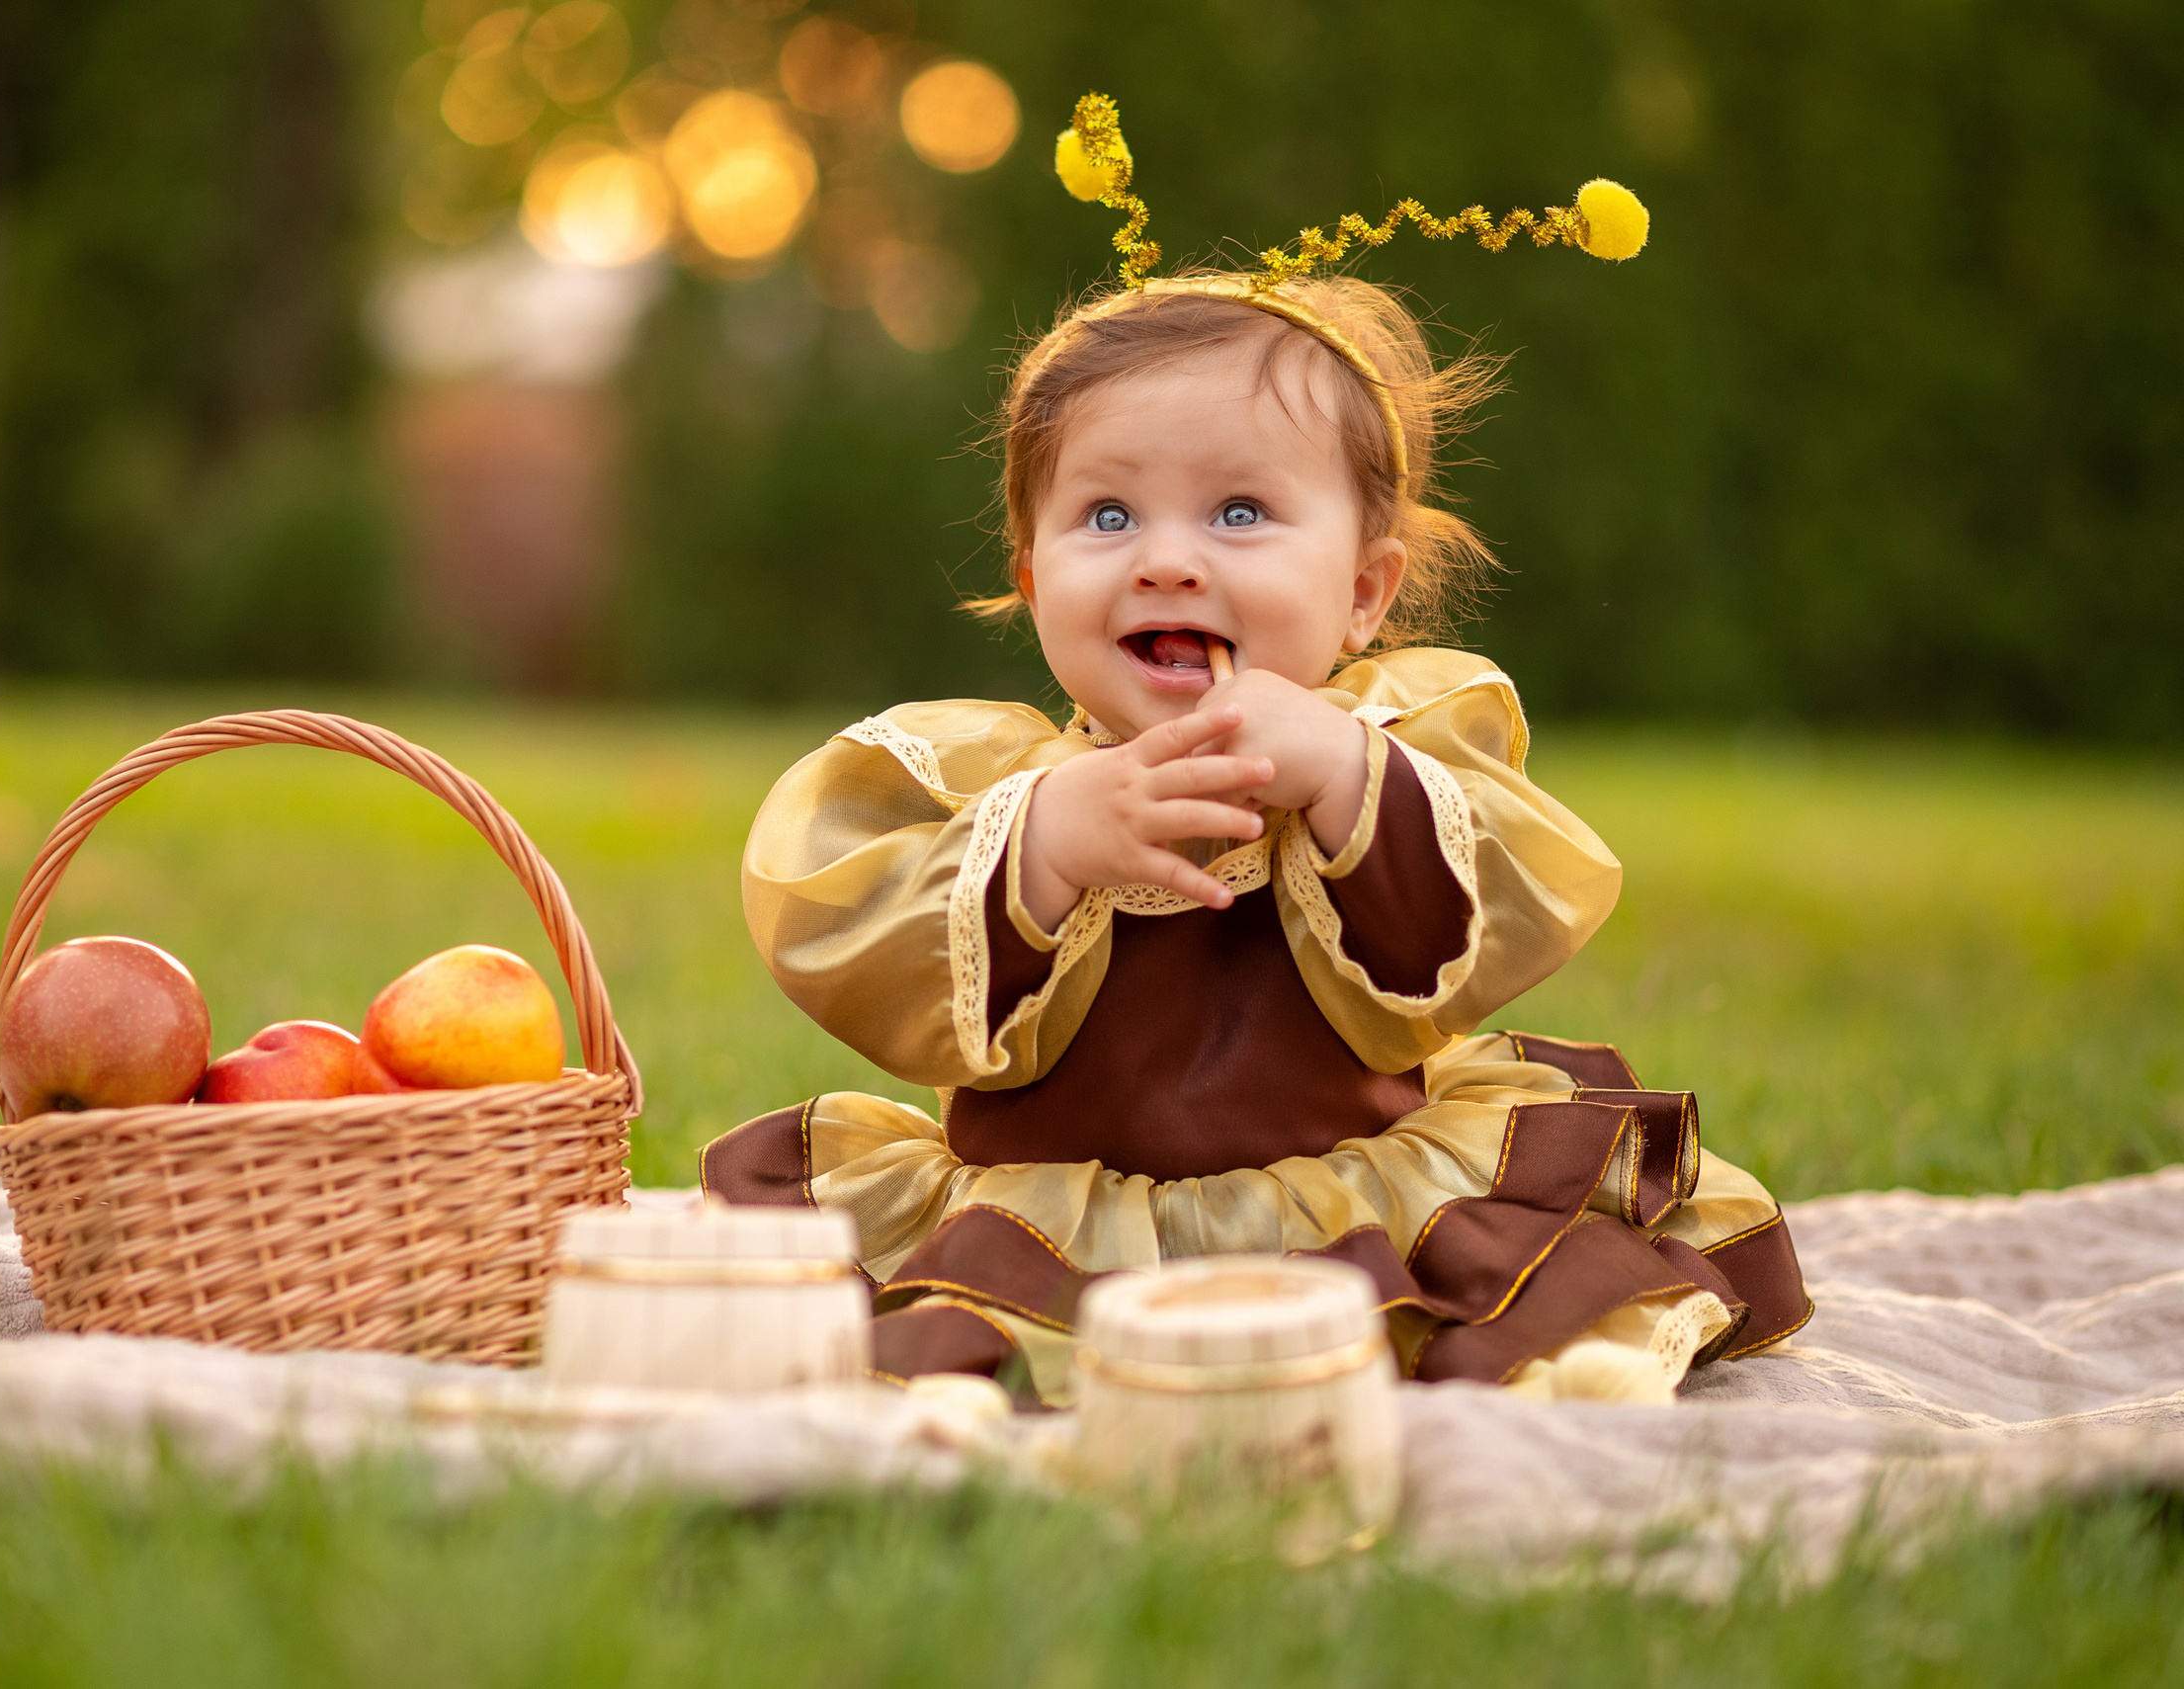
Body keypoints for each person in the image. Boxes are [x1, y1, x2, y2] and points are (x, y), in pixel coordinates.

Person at [700, 105, 1808, 1407]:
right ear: (1031, 574)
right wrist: (1052, 844)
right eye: (1107, 512)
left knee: (1529, 1301)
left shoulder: (1401, 745)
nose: (1168, 556)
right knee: (905, 1326)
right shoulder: (982, 790)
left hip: (1341, 1203)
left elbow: (1481, 913)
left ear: (1362, 591)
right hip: (1060, 1222)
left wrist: (1341, 773)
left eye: (1240, 510)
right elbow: (862, 936)